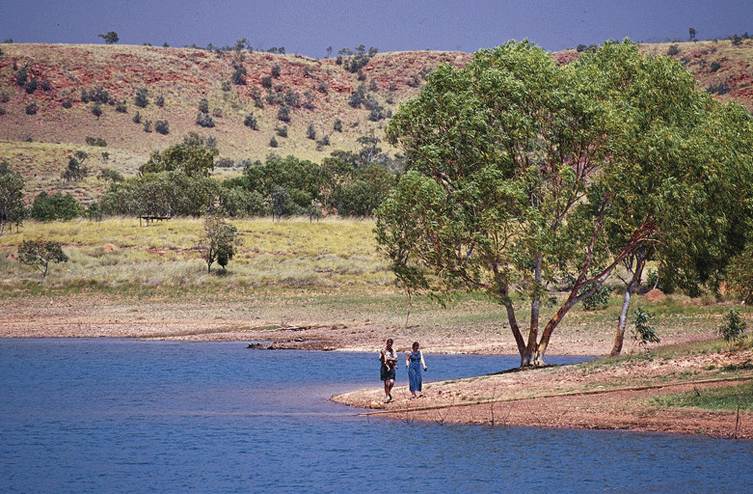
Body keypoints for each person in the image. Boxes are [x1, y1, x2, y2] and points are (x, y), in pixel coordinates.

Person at [379, 338, 397, 402]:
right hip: (384, 367)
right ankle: (387, 396)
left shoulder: (393, 351)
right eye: (388, 344)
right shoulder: (383, 350)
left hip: (391, 367)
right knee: (386, 383)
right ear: (386, 344)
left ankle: (388, 392)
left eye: (391, 345)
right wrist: (386, 359)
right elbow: (381, 359)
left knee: (392, 382)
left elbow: (396, 359)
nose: (389, 346)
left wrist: (390, 359)